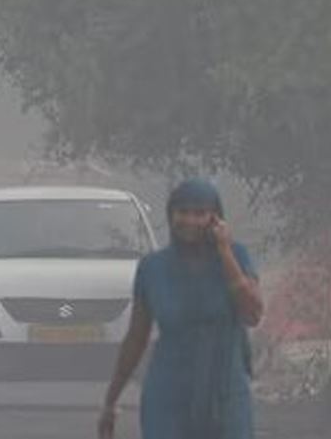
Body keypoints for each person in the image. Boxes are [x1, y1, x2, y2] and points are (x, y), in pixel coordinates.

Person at [99, 178, 265, 439]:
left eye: (200, 213)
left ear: (215, 218)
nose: (189, 220)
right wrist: (110, 401)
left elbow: (252, 313)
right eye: (182, 212)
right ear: (171, 215)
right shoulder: (152, 268)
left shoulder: (236, 256)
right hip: (168, 395)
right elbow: (136, 338)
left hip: (225, 393)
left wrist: (224, 252)